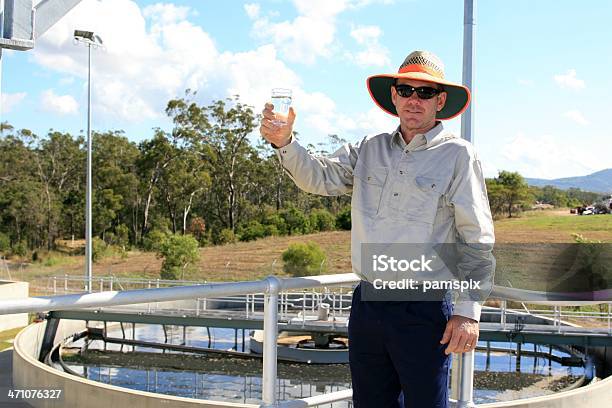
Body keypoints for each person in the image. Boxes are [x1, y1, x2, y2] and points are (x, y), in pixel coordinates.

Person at [260, 50, 495, 407]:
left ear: (440, 101)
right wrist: (285, 143)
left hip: (424, 307)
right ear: (394, 96)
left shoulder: (459, 156)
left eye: (426, 92)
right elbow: (318, 177)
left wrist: (467, 311)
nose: (414, 99)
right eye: (406, 90)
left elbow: (476, 237)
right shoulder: (369, 148)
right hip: (368, 303)